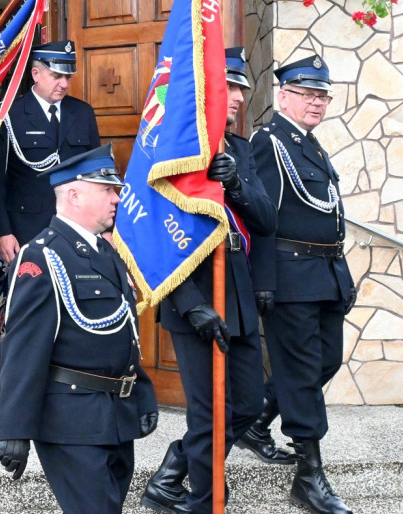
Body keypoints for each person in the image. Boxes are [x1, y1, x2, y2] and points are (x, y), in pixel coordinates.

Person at [140, 47, 278, 514]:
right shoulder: (174, 149)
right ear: (204, 91)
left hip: (234, 286)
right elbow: (155, 237)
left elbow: (265, 220)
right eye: (228, 86)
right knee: (208, 412)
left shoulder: (237, 149)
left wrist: (237, 184)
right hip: (193, 293)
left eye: (241, 86)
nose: (237, 96)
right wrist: (189, 303)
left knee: (246, 405)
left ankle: (176, 469)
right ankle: (204, 501)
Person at [0, 144, 158, 514]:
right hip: (70, 419)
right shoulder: (41, 256)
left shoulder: (107, 252)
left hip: (114, 417)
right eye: (107, 190)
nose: (117, 198)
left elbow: (124, 332)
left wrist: (142, 393)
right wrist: (14, 429)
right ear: (73, 194)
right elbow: (23, 347)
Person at [244, 55, 356, 514]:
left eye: (322, 95)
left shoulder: (309, 145)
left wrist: (341, 275)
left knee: (325, 361)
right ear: (283, 96)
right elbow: (262, 218)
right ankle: (309, 478)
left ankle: (256, 421)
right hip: (290, 279)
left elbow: (327, 214)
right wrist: (264, 279)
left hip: (323, 276)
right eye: (307, 94)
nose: (316, 102)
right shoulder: (270, 143)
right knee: (304, 373)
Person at [0, 40, 100, 264]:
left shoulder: (83, 113)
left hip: (77, 227)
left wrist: (103, 227)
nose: (64, 83)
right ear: (36, 74)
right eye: (57, 76)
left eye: (68, 77)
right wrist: (2, 232)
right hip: (26, 229)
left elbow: (95, 174)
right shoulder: (10, 114)